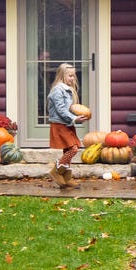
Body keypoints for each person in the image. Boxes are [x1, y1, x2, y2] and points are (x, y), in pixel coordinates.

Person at [46, 61, 86, 189]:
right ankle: (56, 170)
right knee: (74, 148)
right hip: (59, 124)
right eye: (70, 76)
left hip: (66, 123)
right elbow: (61, 110)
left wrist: (76, 116)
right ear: (62, 75)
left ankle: (66, 178)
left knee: (68, 150)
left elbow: (68, 108)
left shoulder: (68, 90)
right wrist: (74, 118)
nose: (73, 78)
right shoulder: (58, 90)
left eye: (74, 76)